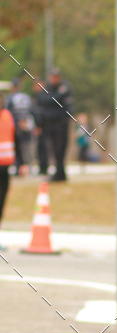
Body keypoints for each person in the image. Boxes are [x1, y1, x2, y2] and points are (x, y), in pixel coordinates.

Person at [39, 68, 73, 181]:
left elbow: (66, 105)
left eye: (56, 77)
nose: (54, 79)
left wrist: (54, 99)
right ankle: (59, 173)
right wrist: (57, 97)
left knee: (61, 149)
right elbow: (43, 100)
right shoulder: (47, 89)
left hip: (61, 124)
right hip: (50, 125)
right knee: (53, 150)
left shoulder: (65, 87)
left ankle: (60, 173)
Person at [6, 77, 33, 175]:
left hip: (16, 125)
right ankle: (27, 167)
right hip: (26, 125)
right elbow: (31, 110)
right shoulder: (26, 97)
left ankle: (19, 168)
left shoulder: (10, 98)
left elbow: (8, 112)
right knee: (27, 147)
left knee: (18, 148)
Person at [0, 93, 15, 250]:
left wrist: (22, 163)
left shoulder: (8, 116)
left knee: (1, 203)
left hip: (5, 167)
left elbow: (14, 137)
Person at [31, 80, 48, 175]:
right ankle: (42, 167)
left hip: (43, 127)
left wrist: (39, 126)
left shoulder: (43, 97)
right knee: (40, 148)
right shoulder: (36, 97)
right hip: (38, 126)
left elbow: (41, 113)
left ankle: (44, 168)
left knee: (43, 148)